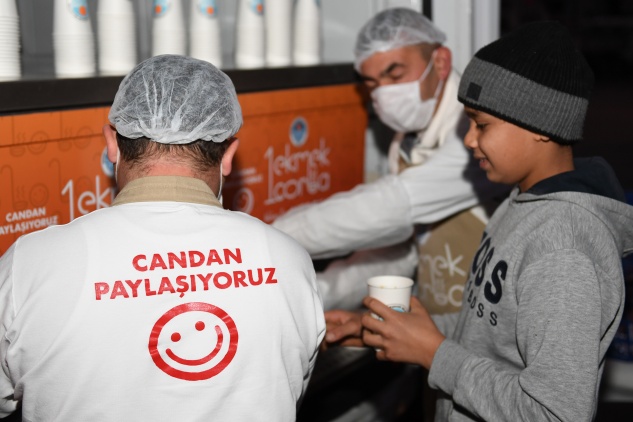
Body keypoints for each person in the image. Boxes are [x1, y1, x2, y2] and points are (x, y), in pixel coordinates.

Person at [0, 55, 325, 421]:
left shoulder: (31, 263)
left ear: (112, 144)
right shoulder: (287, 259)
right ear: (229, 155)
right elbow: (291, 389)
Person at [355, 21, 633, 421]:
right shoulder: (522, 202)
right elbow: (491, 327)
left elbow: (554, 413)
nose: (469, 139)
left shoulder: (564, 249)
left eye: (481, 124)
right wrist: (404, 328)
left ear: (539, 125)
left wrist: (435, 354)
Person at [272, 8, 508, 316]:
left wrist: (268, 237)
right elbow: (403, 248)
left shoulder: (475, 132)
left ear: (440, 62)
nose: (384, 93)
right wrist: (316, 294)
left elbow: (391, 206)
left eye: (395, 75)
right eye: (372, 84)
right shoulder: (405, 140)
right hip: (441, 317)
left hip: (488, 320)